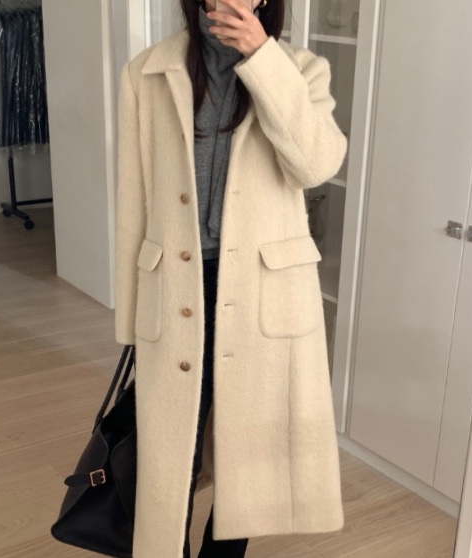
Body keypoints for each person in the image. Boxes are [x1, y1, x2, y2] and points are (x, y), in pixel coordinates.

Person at [115, 0, 348, 557]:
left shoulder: (302, 70)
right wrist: (131, 319)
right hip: (178, 284)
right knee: (174, 443)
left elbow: (316, 165)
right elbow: (133, 201)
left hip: (262, 290)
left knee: (248, 445)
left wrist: (262, 57)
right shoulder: (147, 72)